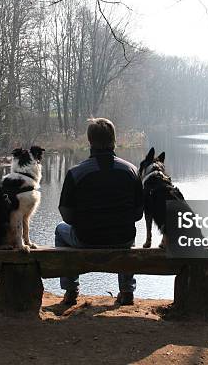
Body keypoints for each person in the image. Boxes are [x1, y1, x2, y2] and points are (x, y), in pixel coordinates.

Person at [55, 118, 143, 306]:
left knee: (60, 230)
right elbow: (137, 214)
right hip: (122, 239)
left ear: (89, 141)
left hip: (86, 239)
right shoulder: (131, 170)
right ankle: (127, 291)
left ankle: (71, 291)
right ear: (114, 139)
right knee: (128, 232)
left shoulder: (75, 173)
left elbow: (67, 215)